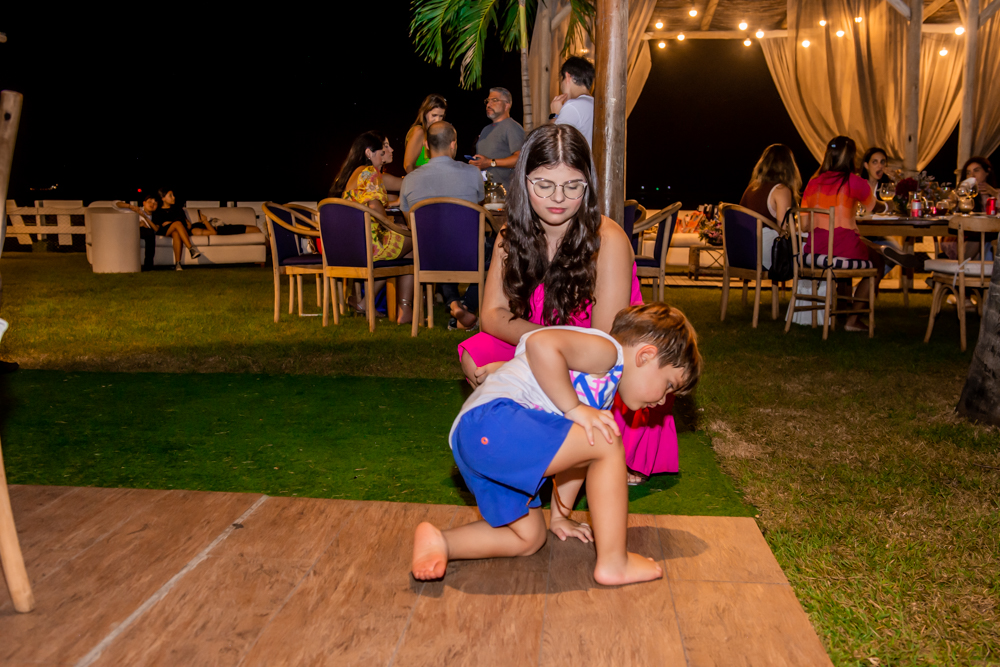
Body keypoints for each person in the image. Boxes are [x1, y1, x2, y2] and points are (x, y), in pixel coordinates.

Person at [412, 302, 701, 583]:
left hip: (478, 444)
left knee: (528, 538)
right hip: (495, 422)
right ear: (646, 356)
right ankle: (614, 562)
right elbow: (540, 343)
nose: (664, 400)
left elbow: (575, 459)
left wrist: (560, 518)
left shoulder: (601, 394)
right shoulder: (608, 352)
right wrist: (573, 408)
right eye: (669, 385)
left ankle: (442, 542)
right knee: (606, 438)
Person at [457, 124, 677, 486]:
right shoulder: (510, 236)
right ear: (523, 182)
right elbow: (492, 316)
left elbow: (602, 344)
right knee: (476, 355)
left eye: (572, 186)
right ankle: (533, 439)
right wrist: (535, 356)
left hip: (600, 362)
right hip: (547, 342)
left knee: (525, 369)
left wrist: (528, 363)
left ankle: (560, 443)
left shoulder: (608, 239)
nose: (557, 197)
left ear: (587, 186)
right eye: (544, 184)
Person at [801, 136, 896, 332]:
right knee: (878, 261)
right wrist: (888, 205)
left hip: (815, 251)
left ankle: (845, 307)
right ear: (852, 157)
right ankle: (853, 319)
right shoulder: (855, 182)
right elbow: (872, 207)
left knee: (865, 247)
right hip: (843, 249)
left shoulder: (813, 183)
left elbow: (803, 226)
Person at [400, 121, 486, 329]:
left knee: (439, 240)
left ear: (426, 146)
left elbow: (409, 221)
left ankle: (455, 304)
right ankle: (467, 306)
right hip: (467, 255)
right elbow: (479, 204)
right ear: (453, 144)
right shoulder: (472, 174)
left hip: (428, 256)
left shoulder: (410, 180)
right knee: (496, 251)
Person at [330, 130, 415, 324]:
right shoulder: (369, 172)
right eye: (381, 151)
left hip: (352, 245)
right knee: (417, 239)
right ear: (369, 153)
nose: (384, 154)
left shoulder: (355, 174)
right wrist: (393, 225)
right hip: (369, 245)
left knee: (406, 248)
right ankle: (404, 308)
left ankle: (370, 304)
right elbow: (375, 206)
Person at [738, 144, 801, 270]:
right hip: (764, 254)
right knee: (806, 254)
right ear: (789, 166)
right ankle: (815, 289)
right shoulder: (781, 189)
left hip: (742, 252)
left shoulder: (751, 188)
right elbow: (783, 231)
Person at [469, 87, 525, 190]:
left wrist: (490, 162)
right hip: (486, 193)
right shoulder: (485, 130)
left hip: (506, 195)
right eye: (487, 101)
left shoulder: (512, 126)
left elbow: (520, 159)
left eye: (494, 100)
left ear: (507, 105)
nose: (488, 105)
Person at [550, 56, 595, 148]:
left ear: (567, 76)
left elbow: (550, 143)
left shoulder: (573, 106)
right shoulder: (594, 103)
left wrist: (554, 114)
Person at [151, 188, 201, 270]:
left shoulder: (177, 209)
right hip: (164, 231)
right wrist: (173, 223)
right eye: (170, 196)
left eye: (173, 195)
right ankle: (191, 249)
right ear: (163, 198)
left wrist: (170, 223)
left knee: (176, 233)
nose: (173, 197)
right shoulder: (158, 211)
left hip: (178, 230)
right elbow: (159, 225)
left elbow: (185, 223)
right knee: (177, 224)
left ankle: (178, 264)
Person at [114, 193, 161, 271]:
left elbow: (156, 229)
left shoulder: (156, 216)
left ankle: (148, 266)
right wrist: (131, 206)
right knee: (148, 232)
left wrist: (145, 218)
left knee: (150, 233)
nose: (152, 204)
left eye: (155, 203)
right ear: (144, 203)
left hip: (147, 233)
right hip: (132, 230)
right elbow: (116, 204)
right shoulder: (136, 210)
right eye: (149, 201)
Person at [403, 94, 447, 174]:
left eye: (441, 116)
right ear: (424, 113)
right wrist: (417, 183)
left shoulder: (434, 134)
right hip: (421, 182)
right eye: (434, 115)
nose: (437, 120)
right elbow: (408, 165)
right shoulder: (419, 131)